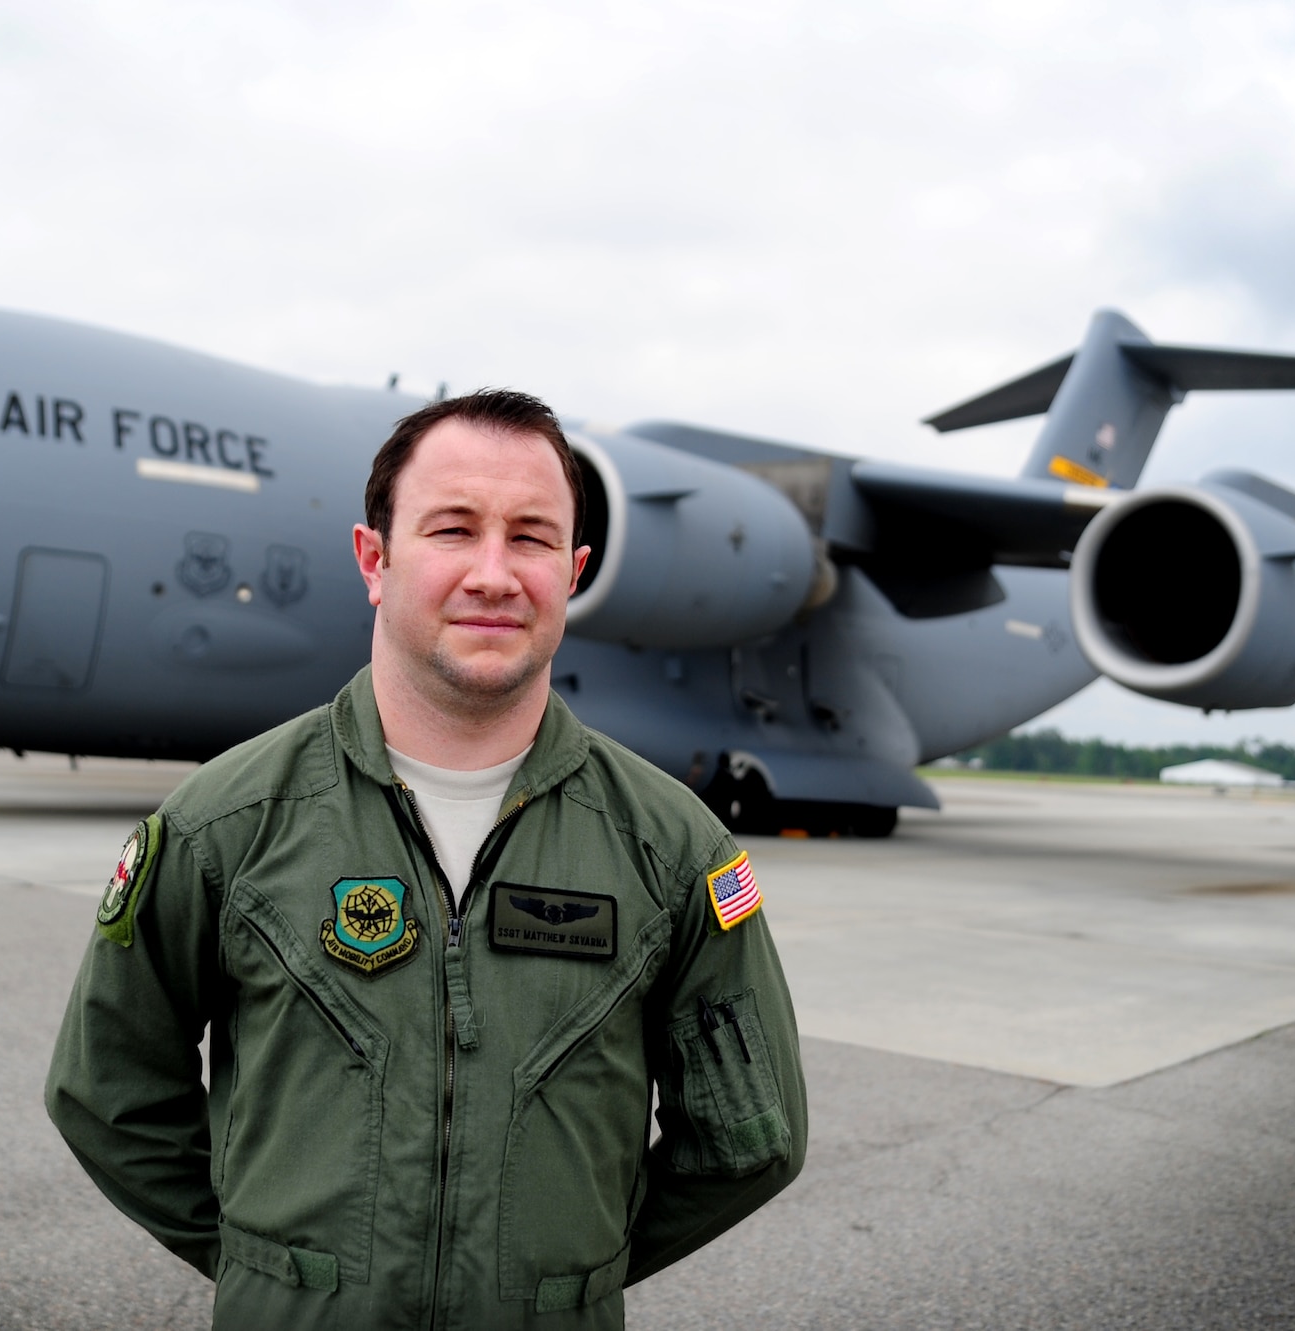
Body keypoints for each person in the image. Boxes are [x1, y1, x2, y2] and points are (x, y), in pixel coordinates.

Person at [46, 389, 806, 1330]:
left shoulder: (673, 850)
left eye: (531, 538)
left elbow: (752, 1138)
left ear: (571, 573)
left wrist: (565, 1275)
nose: (494, 573)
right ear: (376, 559)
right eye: (453, 529)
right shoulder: (227, 825)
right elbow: (106, 1089)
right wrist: (271, 1268)